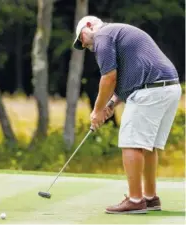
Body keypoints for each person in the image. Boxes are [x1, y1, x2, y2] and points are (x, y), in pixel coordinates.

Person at [73, 16, 182, 214]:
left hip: (151, 90)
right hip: (169, 87)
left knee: (131, 143)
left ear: (89, 26)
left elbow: (109, 78)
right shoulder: (117, 34)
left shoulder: (103, 35)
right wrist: (111, 104)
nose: (83, 44)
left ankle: (135, 200)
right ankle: (150, 198)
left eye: (81, 37)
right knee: (148, 146)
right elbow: (128, 79)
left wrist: (97, 111)